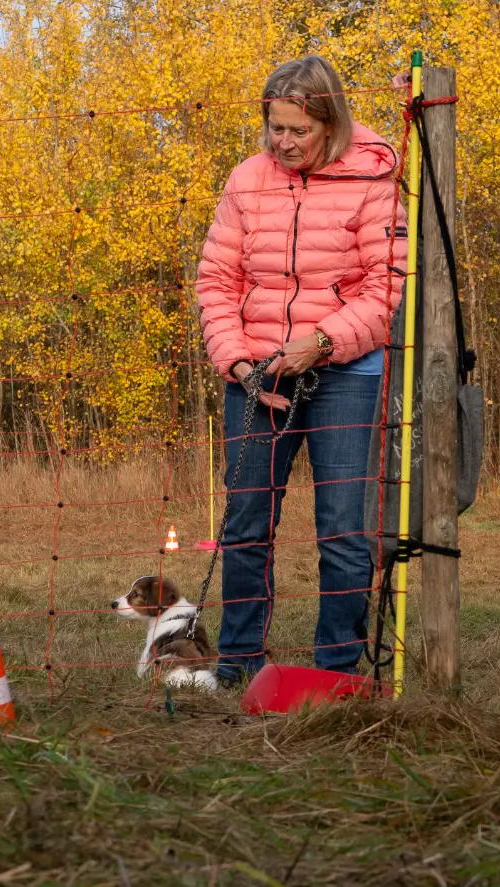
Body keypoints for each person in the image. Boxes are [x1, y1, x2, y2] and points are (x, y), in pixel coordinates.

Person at [195, 54, 401, 684]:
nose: (282, 143)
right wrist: (237, 361)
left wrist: (320, 343)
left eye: (296, 131)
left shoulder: (373, 175)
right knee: (248, 521)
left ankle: (337, 671)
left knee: (342, 529)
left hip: (345, 372)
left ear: (329, 121)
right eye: (273, 129)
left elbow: (383, 287)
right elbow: (217, 279)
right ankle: (238, 665)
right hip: (256, 373)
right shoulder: (246, 179)